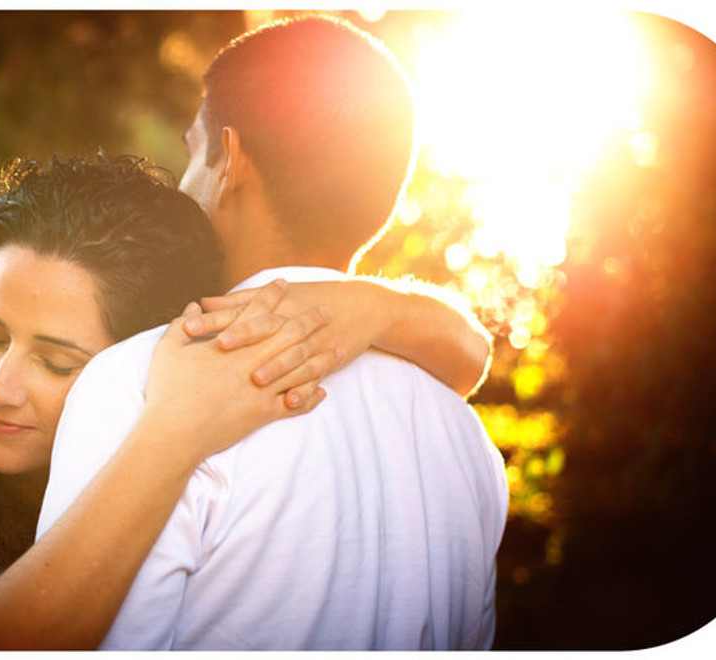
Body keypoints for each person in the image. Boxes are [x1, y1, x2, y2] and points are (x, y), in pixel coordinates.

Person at [0, 153, 491, 649]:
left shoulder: (122, 431)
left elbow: (464, 355)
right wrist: (177, 430)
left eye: (57, 361)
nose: (0, 387)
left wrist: (367, 305)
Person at [35, 16, 508, 650]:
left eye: (190, 151)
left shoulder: (141, 380)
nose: (183, 184)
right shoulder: (465, 438)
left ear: (228, 160)